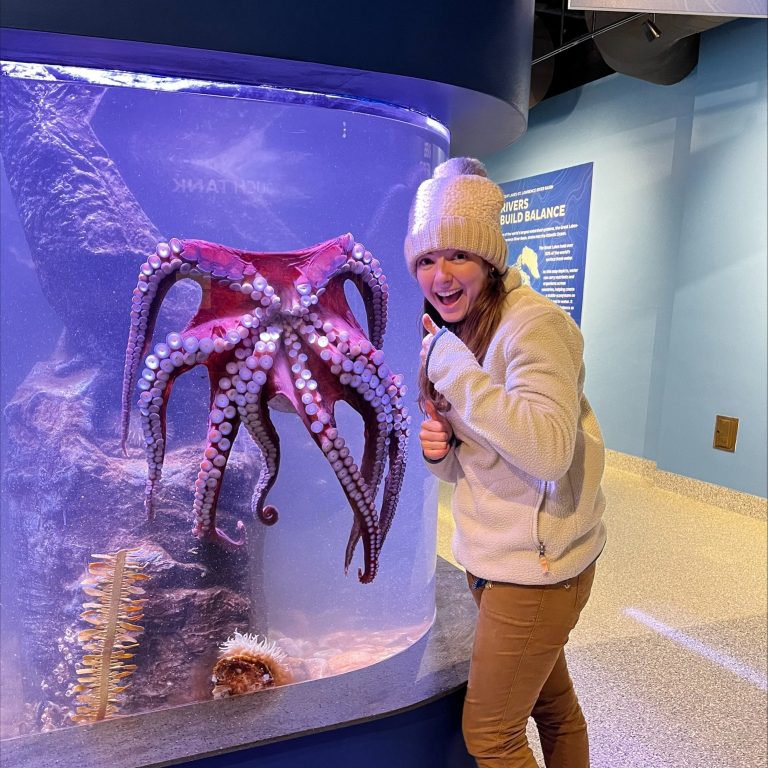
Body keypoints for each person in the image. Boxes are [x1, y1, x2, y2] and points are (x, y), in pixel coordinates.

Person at [404, 157, 607, 768]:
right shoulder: (465, 329)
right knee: (554, 710)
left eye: (458, 255)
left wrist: (448, 364)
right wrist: (440, 450)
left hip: (538, 570)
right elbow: (482, 454)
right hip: (494, 558)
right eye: (425, 259)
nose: (439, 275)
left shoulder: (535, 327)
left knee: (491, 737)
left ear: (490, 259)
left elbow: (547, 448)